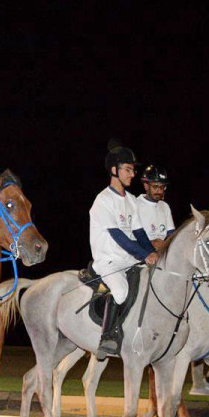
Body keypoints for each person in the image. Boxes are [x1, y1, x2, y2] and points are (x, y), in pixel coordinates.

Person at [89, 141, 157, 359]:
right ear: (114, 170)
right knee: (120, 291)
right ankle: (107, 338)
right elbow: (118, 236)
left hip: (127, 259)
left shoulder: (130, 200)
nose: (133, 174)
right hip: (107, 260)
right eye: (128, 169)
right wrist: (145, 254)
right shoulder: (103, 200)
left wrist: (155, 254)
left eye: (133, 170)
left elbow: (139, 233)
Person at [135, 165, 174, 252]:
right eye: (155, 187)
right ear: (146, 186)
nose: (159, 191)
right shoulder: (135, 204)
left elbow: (171, 234)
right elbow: (128, 236)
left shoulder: (165, 206)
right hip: (141, 255)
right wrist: (150, 243)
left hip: (161, 256)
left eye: (162, 187)